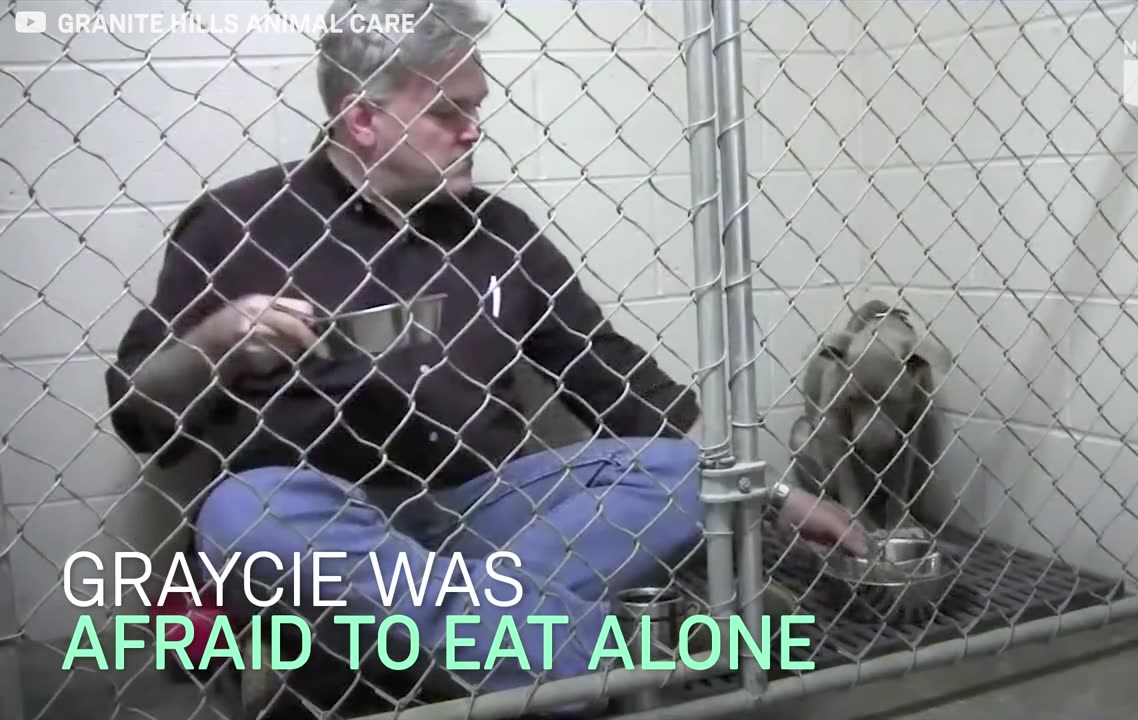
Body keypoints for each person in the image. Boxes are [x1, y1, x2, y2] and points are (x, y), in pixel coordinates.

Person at [103, 0, 870, 710]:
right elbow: (142, 419)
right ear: (362, 119)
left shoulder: (500, 233)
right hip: (327, 527)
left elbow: (612, 377)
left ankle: (447, 655)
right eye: (447, 112)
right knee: (245, 513)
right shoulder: (238, 222)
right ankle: (595, 661)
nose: (474, 130)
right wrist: (217, 342)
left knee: (683, 471)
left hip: (486, 515)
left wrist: (767, 497)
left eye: (476, 108)